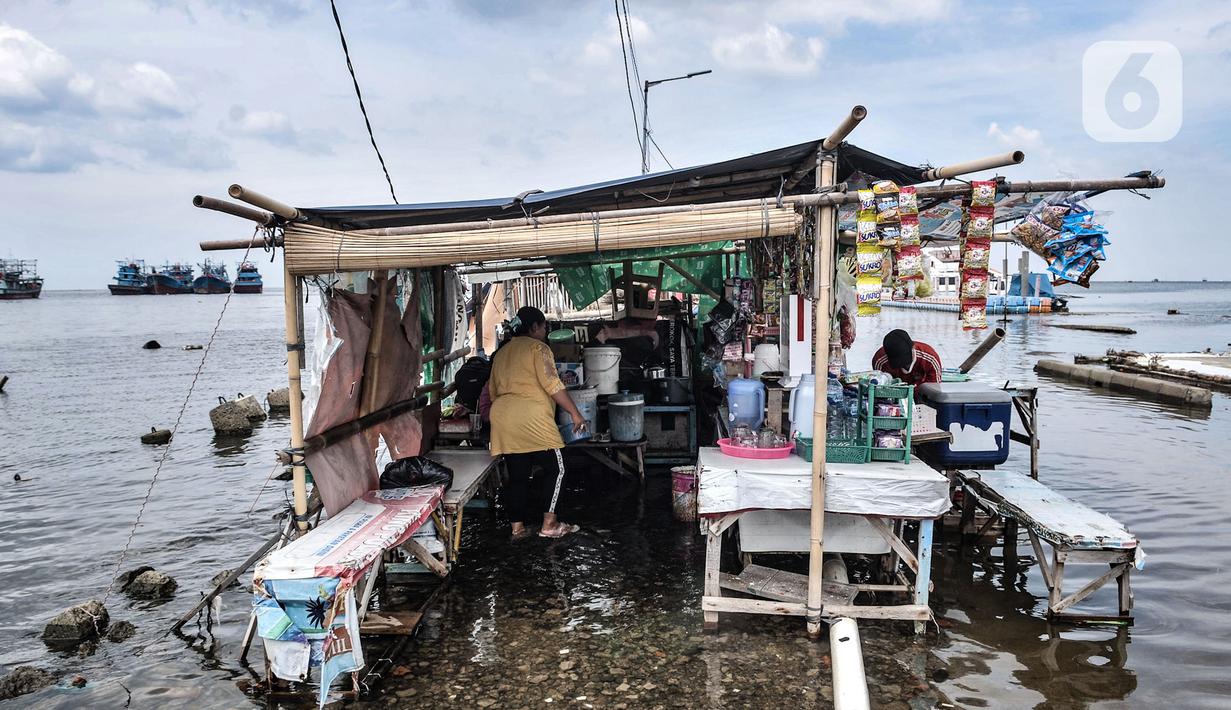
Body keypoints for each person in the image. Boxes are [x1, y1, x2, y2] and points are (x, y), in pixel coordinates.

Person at [488, 306, 588, 540]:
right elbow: (553, 385)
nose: (544, 331)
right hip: (531, 418)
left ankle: (517, 528)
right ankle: (549, 524)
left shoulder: (501, 352)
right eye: (543, 326)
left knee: (518, 475)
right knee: (558, 468)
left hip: (503, 419)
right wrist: (575, 413)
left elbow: (492, 392)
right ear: (534, 327)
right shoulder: (538, 348)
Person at [872, 329, 942, 386]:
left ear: (913, 348)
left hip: (920, 391)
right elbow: (879, 386)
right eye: (898, 363)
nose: (904, 366)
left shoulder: (930, 358)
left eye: (905, 361)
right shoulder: (879, 360)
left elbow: (935, 388)